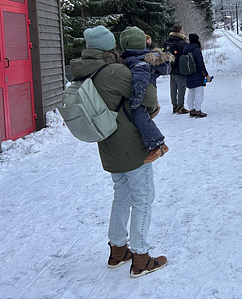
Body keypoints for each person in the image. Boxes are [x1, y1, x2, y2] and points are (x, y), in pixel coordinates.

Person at [69, 25, 167, 278]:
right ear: (110, 45)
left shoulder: (85, 69)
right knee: (143, 199)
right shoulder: (114, 71)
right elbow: (149, 101)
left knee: (121, 196)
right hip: (131, 146)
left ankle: (118, 251)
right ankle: (141, 258)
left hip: (108, 144)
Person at [120, 26, 172, 163]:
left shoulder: (135, 59)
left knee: (137, 113)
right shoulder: (144, 56)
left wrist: (136, 99)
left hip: (143, 95)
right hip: (150, 94)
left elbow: (140, 77)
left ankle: (157, 144)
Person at [182, 33, 211, 118]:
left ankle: (191, 110)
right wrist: (206, 75)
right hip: (196, 74)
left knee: (191, 92)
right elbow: (200, 64)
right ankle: (198, 111)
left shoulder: (185, 49)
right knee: (199, 92)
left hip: (188, 73)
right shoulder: (196, 50)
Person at [163, 24, 189, 114]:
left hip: (171, 68)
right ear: (180, 31)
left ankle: (174, 106)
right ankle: (180, 107)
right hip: (180, 69)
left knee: (173, 88)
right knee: (181, 88)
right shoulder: (182, 43)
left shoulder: (168, 41)